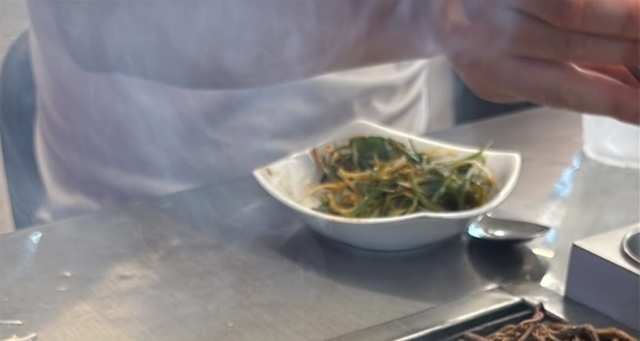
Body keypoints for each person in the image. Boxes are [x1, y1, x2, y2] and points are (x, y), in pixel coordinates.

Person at [23, 0, 640, 224]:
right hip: (140, 228)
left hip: (399, 220)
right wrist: (434, 18)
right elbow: (96, 21)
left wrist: (519, 31)